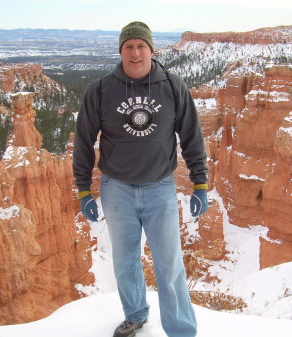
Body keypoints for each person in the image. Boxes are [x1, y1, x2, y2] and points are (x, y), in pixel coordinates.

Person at [73, 21, 208, 337]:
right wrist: (83, 189)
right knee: (125, 262)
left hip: (159, 188)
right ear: (121, 51)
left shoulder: (173, 87)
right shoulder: (101, 89)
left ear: (151, 49)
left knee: (169, 264)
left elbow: (191, 136)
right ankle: (135, 315)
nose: (135, 53)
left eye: (141, 46)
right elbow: (83, 139)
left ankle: (181, 329)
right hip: (115, 188)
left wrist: (200, 182)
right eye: (128, 47)